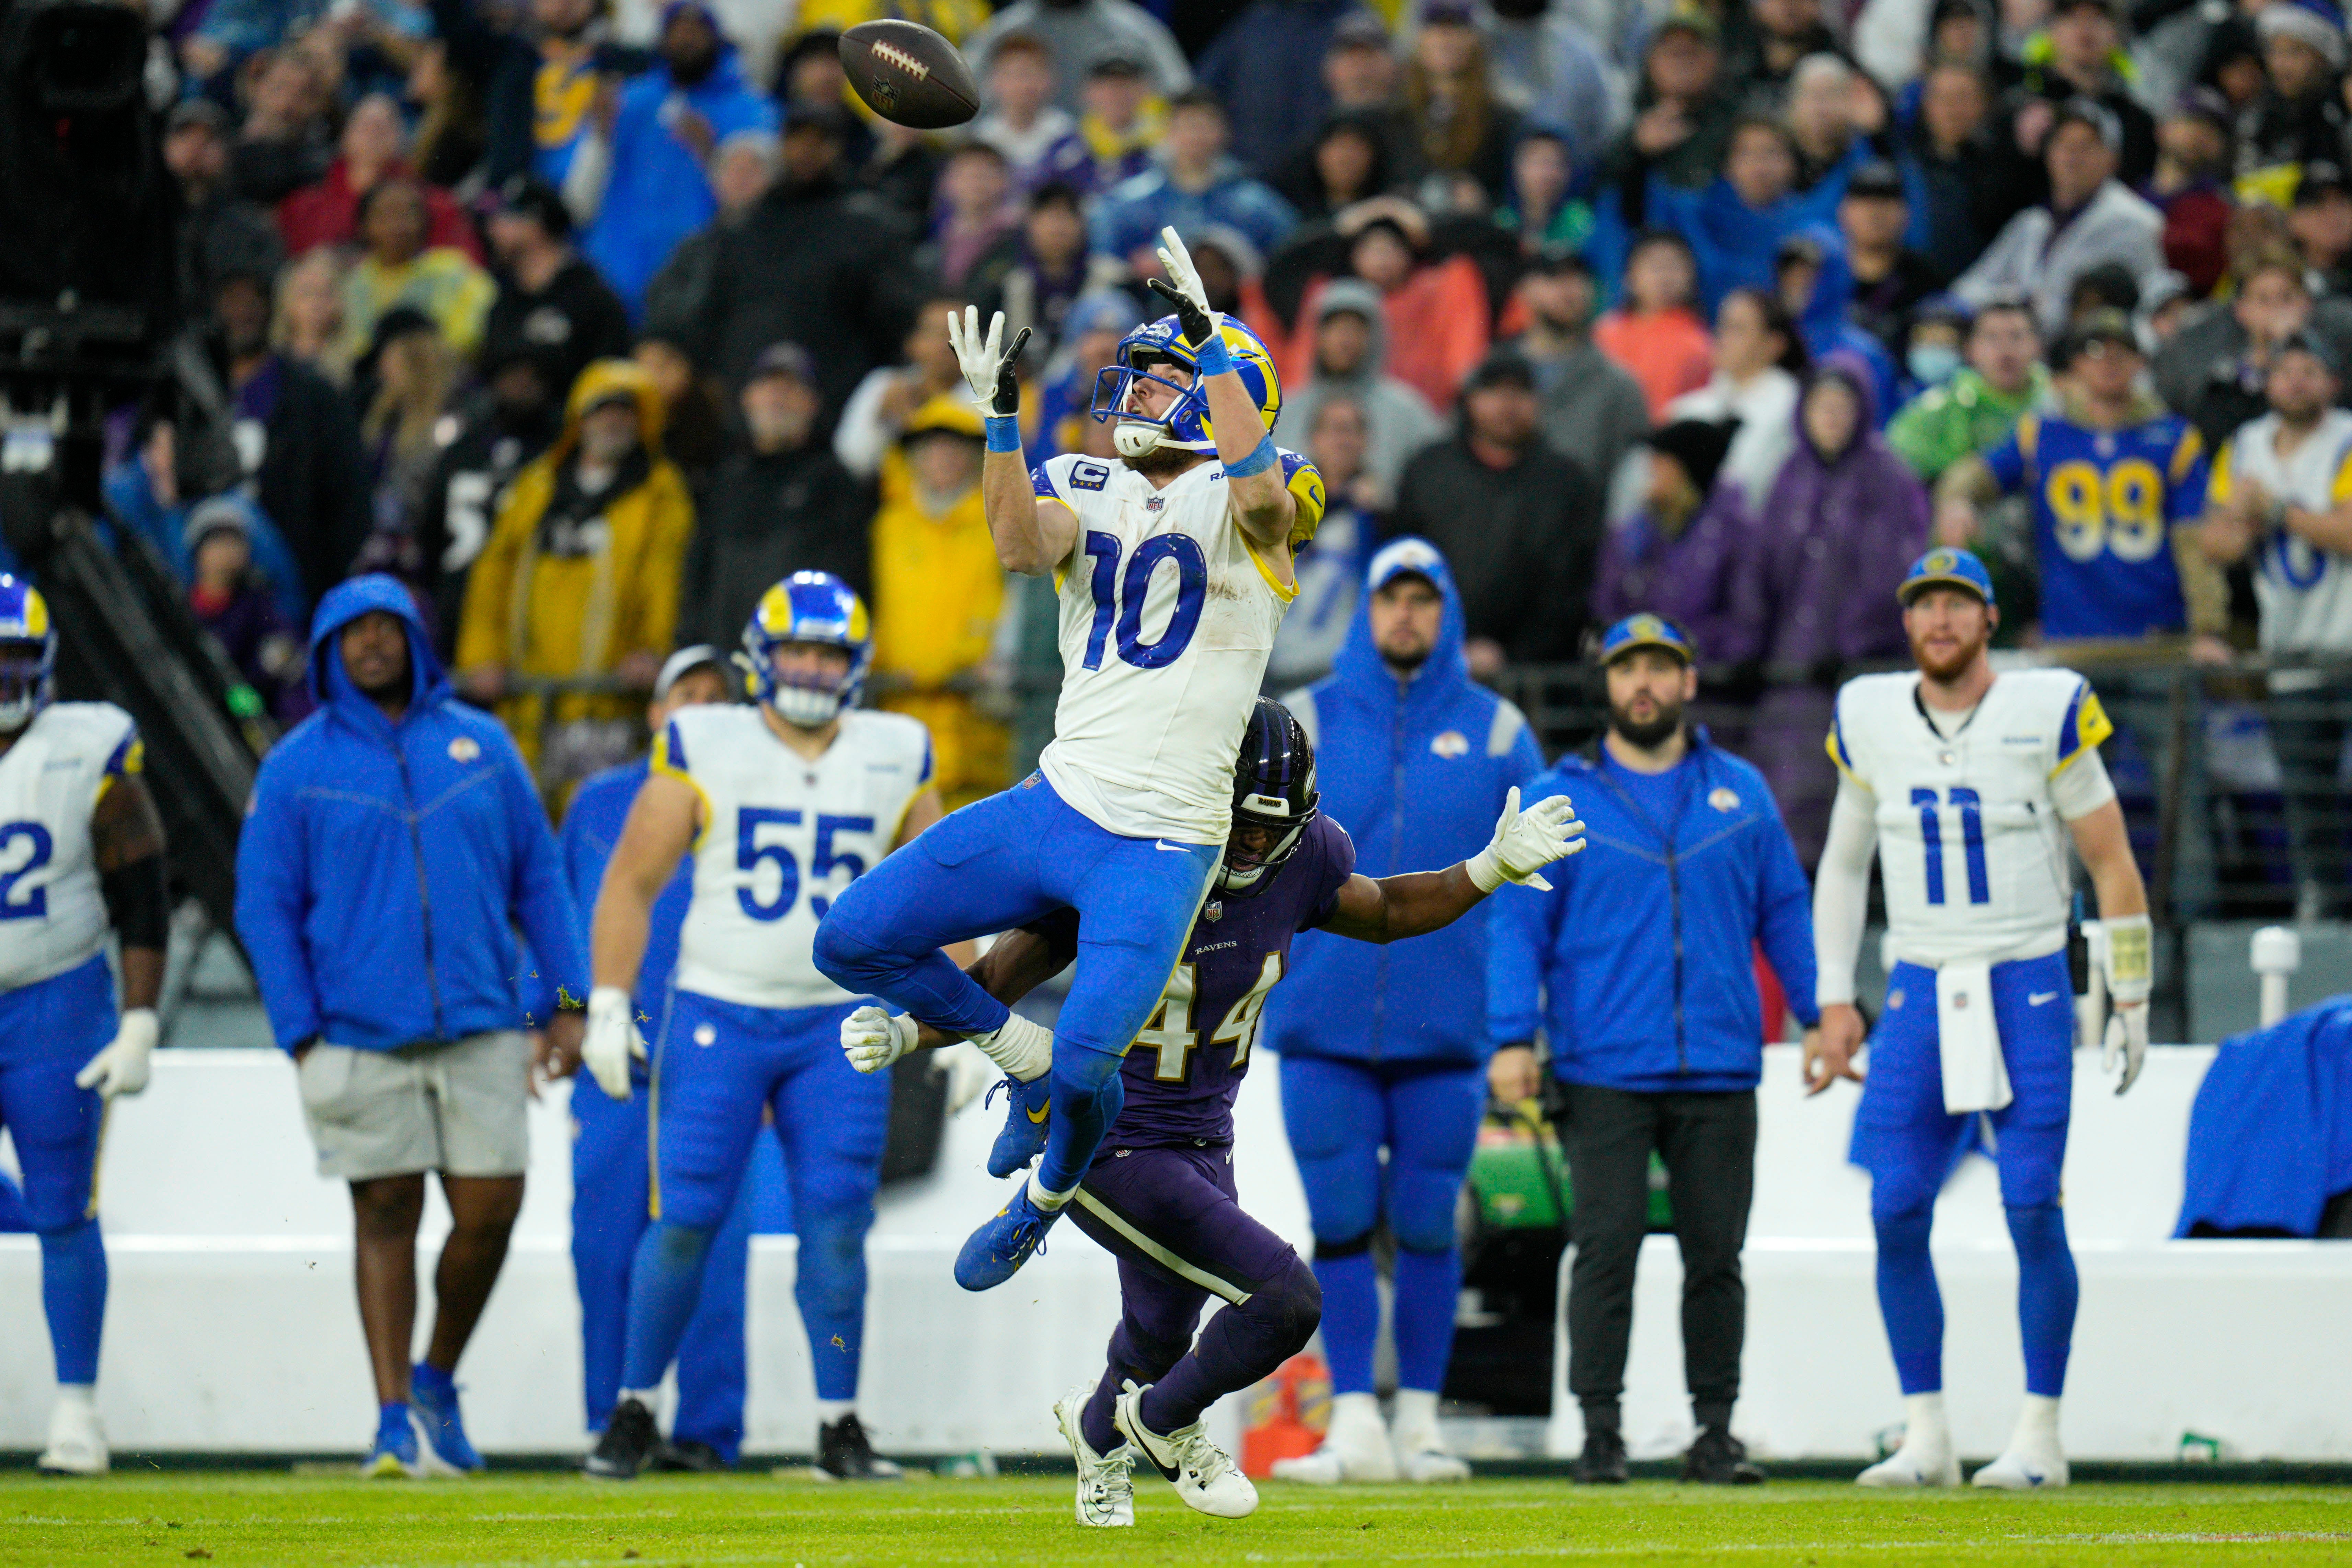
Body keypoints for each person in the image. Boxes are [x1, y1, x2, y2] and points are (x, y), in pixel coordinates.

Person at [843, 699, 1584, 1520]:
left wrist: (1486, 868)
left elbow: (1385, 911)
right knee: (1284, 1299)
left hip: (1205, 1132)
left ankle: (1097, 1436)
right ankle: (1162, 1423)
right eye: (1242, 824)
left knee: (1159, 1332)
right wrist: (911, 1030)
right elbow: (997, 981)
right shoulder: (1127, 854)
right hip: (1106, 1130)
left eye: (1275, 828)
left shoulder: (1306, 860)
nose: (1256, 844)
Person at [806, 232, 1324, 1291]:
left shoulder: (1265, 492)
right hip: (1059, 799)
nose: (1137, 386)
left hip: (1164, 838)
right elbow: (1014, 544)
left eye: (1165, 370)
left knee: (1095, 1067)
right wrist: (1000, 416)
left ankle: (1042, 1197)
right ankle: (1018, 1071)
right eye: (1143, 367)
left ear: (1227, 391)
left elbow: (1267, 505)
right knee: (851, 937)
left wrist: (1213, 348)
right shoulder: (1084, 476)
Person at [579, 573, 944, 1481]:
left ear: (855, 663)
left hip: (838, 1021)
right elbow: (630, 877)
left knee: (836, 1227)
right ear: (761, 655)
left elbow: (946, 889)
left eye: (830, 651)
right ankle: (633, 1408)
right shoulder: (705, 738)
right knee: (686, 1217)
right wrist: (609, 999)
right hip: (718, 1011)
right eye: (799, 649)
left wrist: (965, 1021)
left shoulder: (896, 749)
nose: (813, 667)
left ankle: (839, 1422)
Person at [1810, 547, 2154, 1490]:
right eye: (1924, 603)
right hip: (1920, 977)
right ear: (1906, 619)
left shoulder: (2044, 708)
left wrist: (2130, 990)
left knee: (2031, 1202)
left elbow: (2110, 858)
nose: (1941, 619)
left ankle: (2038, 1433)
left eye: (1958, 602)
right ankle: (1926, 1434)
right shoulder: (1871, 713)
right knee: (1892, 1205)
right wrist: (1834, 995)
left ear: (1990, 618)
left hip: (2026, 974)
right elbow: (1843, 865)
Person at [235, 575, 588, 1477]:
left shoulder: (483, 743)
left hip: (480, 1019)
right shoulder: (295, 764)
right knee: (384, 1211)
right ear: (325, 649)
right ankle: (392, 1416)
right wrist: (299, 1033)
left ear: (416, 638)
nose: (372, 643)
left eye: (389, 626)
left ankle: (435, 1376)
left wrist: (571, 1004)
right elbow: (265, 908)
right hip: (354, 1031)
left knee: (491, 1208)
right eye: (352, 631)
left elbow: (541, 880)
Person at [1490, 613, 1819, 1486]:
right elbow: (1517, 926)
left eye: (1658, 667)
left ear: (1687, 681)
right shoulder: (1561, 796)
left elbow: (1783, 907)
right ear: (1606, 681)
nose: (1642, 683)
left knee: (1717, 1256)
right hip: (1603, 1066)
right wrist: (1508, 1036)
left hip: (1717, 1064)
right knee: (1605, 1251)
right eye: (1627, 667)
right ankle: (1601, 1433)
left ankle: (1714, 1431)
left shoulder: (1739, 791)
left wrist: (1819, 1008)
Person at [1259, 539, 1549, 1484]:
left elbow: (1530, 889)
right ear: (1366, 608)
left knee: (1428, 1219)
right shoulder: (1300, 719)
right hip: (1322, 1021)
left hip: (1445, 1028)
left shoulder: (1501, 729)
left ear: (1448, 609)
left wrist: (1514, 1021)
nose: (1407, 615)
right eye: (1392, 597)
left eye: (1425, 598)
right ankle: (1353, 1421)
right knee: (1339, 1217)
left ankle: (1420, 1420)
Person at [560, 647, 753, 1471]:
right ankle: (615, 1419)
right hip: (620, 1051)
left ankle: (708, 1431)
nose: (700, 707)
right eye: (687, 693)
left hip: (727, 1055)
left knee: (713, 1247)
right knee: (602, 1244)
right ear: (654, 710)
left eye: (717, 696)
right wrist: (560, 1015)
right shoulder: (598, 802)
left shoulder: (756, 797)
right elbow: (563, 911)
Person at [0, 582, 167, 1476]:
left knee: (66, 1205)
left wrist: (140, 1019)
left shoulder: (86, 745)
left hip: (55, 1000)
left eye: (11, 659)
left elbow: (140, 884)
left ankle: (76, 1409)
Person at [455, 359, 694, 781]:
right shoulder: (535, 487)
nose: (614, 421)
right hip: (526, 703)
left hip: (610, 705)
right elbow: (493, 572)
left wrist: (654, 652)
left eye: (626, 412)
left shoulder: (662, 496)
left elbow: (667, 581)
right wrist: (482, 656)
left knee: (597, 825)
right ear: (578, 419)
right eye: (602, 409)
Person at [1937, 310, 2222, 643]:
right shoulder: (2042, 432)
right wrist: (1956, 500)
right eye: (2094, 352)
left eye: (2121, 353)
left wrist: (2207, 628)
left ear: (2139, 363)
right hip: (2069, 630)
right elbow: (1978, 474)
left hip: (2157, 630)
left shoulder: (2174, 439)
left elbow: (2194, 539)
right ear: (2075, 364)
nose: (2108, 363)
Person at [2196, 330, 2352, 915]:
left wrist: (2276, 512)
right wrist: (2243, 520)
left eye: (2310, 371)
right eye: (2286, 371)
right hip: (2290, 652)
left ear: (2333, 383)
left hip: (2348, 643)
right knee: (2306, 802)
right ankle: (2322, 907)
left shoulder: (2346, 439)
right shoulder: (2245, 445)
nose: (2295, 382)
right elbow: (2214, 542)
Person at [1387, 348, 1604, 674]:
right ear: (1470, 400)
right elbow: (1399, 560)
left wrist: (1514, 654)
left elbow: (1573, 587)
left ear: (1539, 403)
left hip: (1536, 675)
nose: (1507, 404)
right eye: (1494, 392)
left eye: (1520, 392)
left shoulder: (1567, 483)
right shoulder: (1428, 470)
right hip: (1427, 661)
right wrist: (1437, 642)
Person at [575, 0, 778, 317]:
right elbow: (585, 190)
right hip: (617, 267)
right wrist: (599, 135)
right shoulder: (633, 99)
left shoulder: (751, 109)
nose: (686, 42)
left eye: (696, 32)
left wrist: (712, 153)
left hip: (696, 275)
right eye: (677, 32)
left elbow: (757, 202)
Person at [680, 343, 871, 648]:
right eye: (768, 385)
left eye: (791, 387)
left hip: (799, 670)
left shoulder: (834, 483)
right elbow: (698, 576)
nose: (778, 397)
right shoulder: (724, 479)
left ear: (813, 403)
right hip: (724, 668)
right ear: (747, 399)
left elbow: (852, 579)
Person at [868, 397, 1009, 807]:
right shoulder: (887, 528)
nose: (943, 457)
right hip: (896, 721)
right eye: (931, 446)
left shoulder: (999, 525)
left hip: (975, 729)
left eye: (956, 446)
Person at [209, 258, 372, 606]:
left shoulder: (314, 396)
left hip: (286, 580)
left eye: (253, 300)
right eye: (231, 301)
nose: (243, 313)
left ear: (272, 308)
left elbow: (350, 505)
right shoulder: (189, 389)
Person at [1953, 99, 2164, 336]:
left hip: (2092, 355)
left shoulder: (2137, 222)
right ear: (2049, 154)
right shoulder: (2033, 223)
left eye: (2086, 146)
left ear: (2112, 159)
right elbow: (1967, 289)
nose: (2072, 156)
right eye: (2063, 144)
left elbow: (2152, 310)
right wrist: (2012, 301)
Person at [1592, 421, 1755, 660]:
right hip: (1642, 681)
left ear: (1687, 472)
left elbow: (1743, 623)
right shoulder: (1633, 536)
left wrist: (1676, 657)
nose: (1651, 469)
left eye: (1662, 461)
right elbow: (1607, 607)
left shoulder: (1735, 536)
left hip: (1710, 686)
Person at [1090, 89, 1299, 268]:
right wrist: (1132, 270)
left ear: (1224, 133)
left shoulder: (1254, 203)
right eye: (1189, 125)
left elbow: (1291, 254)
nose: (1197, 136)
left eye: (1206, 126)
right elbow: (1104, 261)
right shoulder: (1130, 201)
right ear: (1169, 131)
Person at [1281, 278, 1447, 499]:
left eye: (1356, 330)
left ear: (1377, 337)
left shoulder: (1409, 413)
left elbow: (1440, 484)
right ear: (1317, 335)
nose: (1345, 340)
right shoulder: (1284, 412)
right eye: (1335, 328)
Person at [480, 174, 635, 408]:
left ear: (535, 226)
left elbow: (610, 381)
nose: (492, 229)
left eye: (504, 218)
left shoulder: (592, 298)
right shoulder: (505, 301)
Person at [1507, 246, 1652, 489]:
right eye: (1554, 278)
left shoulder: (1619, 386)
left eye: (1578, 279)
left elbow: (1630, 483)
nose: (1569, 290)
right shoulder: (1490, 374)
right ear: (1524, 290)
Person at [1666, 285, 1804, 512]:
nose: (1721, 337)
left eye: (1737, 329)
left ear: (1774, 345)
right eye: (1722, 325)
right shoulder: (1687, 410)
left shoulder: (1793, 412)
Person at [1887, 295, 2048, 484]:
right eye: (1992, 338)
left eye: (2017, 337)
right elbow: (1892, 459)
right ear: (1971, 349)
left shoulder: (2056, 404)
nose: (2005, 351)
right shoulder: (1944, 407)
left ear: (2038, 346)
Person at [964, 0, 1192, 113]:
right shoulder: (1004, 31)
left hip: (1114, 154)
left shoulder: (1132, 29)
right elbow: (960, 104)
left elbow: (1182, 96)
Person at [1594, 228, 1716, 421]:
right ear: (1629, 277)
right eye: (1655, 266)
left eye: (1674, 266)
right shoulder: (1603, 332)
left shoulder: (1701, 344)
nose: (1665, 277)